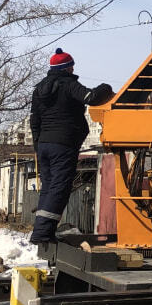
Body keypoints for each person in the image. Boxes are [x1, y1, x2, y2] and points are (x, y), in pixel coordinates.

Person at [29, 48, 114, 244]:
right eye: (72, 66)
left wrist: (38, 144)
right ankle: (42, 234)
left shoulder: (39, 89)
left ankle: (44, 232)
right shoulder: (68, 85)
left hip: (44, 145)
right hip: (63, 144)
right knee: (59, 187)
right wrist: (106, 87)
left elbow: (35, 120)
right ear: (67, 67)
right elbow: (91, 97)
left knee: (49, 188)